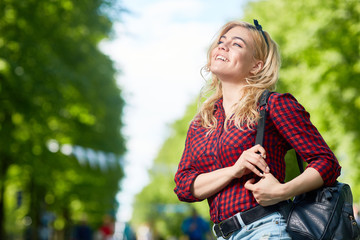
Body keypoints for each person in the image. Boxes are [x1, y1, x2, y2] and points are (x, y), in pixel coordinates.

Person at [174, 19, 341, 240]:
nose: (222, 46)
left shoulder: (272, 105)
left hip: (266, 229)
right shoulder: (202, 121)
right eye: (221, 41)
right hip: (224, 234)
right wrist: (235, 169)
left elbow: (326, 163)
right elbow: (185, 186)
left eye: (237, 44)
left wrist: (282, 191)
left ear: (256, 65)